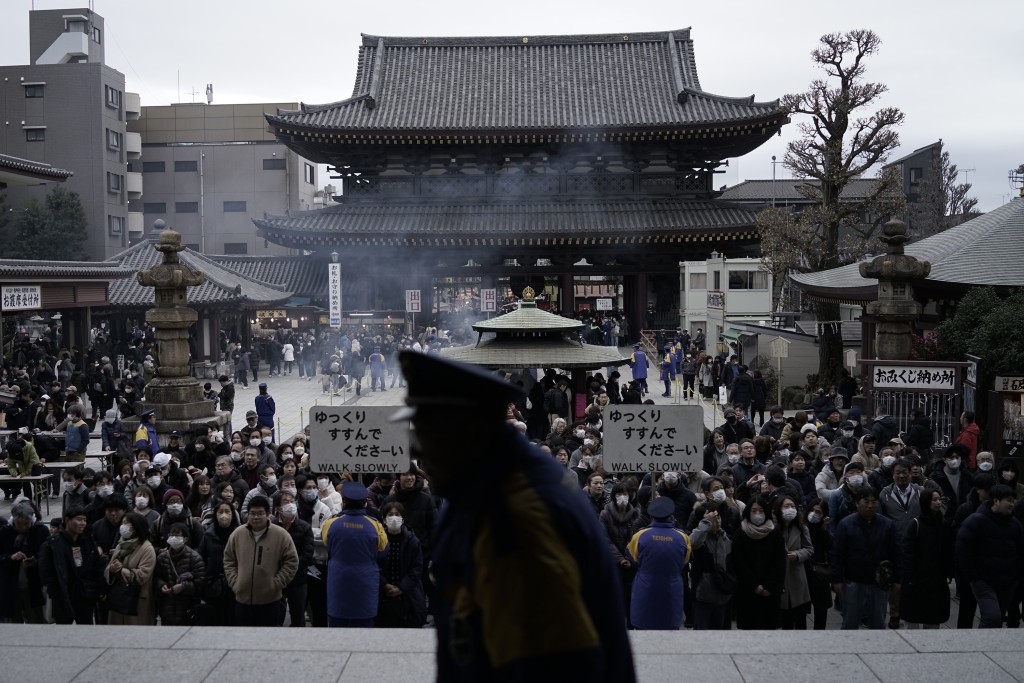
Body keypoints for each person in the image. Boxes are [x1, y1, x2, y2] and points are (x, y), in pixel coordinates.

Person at [394, 350, 635, 681]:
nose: (416, 449)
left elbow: (553, 666)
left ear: (466, 431)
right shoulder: (480, 485)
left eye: (426, 432)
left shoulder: (518, 518)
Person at [830, 486, 901, 630]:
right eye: (866, 501)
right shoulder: (845, 524)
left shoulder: (887, 525)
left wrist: (897, 579)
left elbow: (896, 554)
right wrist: (836, 580)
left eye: (874, 502)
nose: (870, 506)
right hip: (853, 581)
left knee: (878, 622)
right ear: (857, 503)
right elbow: (837, 554)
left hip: (879, 582)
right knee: (850, 622)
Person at [321, 481, 389, 628]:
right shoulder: (375, 525)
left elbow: (326, 543)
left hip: (338, 581)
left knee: (337, 627)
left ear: (344, 501)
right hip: (365, 582)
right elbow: (383, 550)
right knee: (364, 627)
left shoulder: (331, 523)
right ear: (365, 503)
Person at [223, 495, 298, 626]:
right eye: (252, 513)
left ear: (268, 514)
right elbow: (229, 559)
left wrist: (276, 584)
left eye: (260, 513)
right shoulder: (238, 534)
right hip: (242, 600)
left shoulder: (281, 535)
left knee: (267, 642)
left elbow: (291, 562)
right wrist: (235, 582)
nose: (256, 517)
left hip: (270, 602)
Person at [955, 484, 1022, 628]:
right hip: (983, 581)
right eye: (1009, 500)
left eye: (1014, 500)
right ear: (996, 501)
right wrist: (974, 578)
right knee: (993, 617)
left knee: (995, 621)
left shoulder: (1014, 524)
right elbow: (962, 550)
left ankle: (987, 646)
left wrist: (1016, 577)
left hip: (1007, 582)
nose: (1012, 504)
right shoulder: (976, 521)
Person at [625, 496, 691, 630]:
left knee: (644, 629)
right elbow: (685, 561)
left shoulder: (640, 536)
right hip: (672, 589)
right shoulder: (683, 537)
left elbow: (631, 556)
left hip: (645, 588)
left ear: (651, 515)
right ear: (671, 515)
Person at [38, 505, 103, 624]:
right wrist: (54, 592)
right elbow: (45, 571)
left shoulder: (88, 541)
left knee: (85, 629)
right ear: (67, 520)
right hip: (63, 595)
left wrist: (95, 588)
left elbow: (97, 566)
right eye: (79, 519)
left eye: (84, 520)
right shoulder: (53, 544)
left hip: (85, 594)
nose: (82, 523)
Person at [900, 488, 952, 628]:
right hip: (916, 580)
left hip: (936, 580)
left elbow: (948, 550)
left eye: (939, 499)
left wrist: (948, 571)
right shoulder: (916, 524)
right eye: (934, 499)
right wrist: (910, 575)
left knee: (933, 619)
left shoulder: (944, 524)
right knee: (912, 619)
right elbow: (907, 551)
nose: (938, 502)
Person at [732, 495, 785, 629]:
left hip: (770, 591)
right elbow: (739, 563)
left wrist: (768, 586)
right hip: (747, 591)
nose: (757, 514)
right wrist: (754, 585)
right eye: (754, 511)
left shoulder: (775, 533)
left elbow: (779, 563)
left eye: (760, 510)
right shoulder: (740, 533)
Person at [376, 501, 428, 628]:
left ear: (403, 518)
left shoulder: (412, 541)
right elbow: (373, 565)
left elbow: (416, 568)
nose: (394, 518)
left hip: (408, 596)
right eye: (390, 514)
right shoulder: (377, 540)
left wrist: (401, 588)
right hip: (382, 595)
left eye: (397, 514)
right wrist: (385, 584)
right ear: (383, 518)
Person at [687, 499, 735, 630]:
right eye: (713, 519)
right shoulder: (700, 538)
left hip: (723, 595)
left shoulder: (725, 538)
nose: (717, 521)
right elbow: (693, 542)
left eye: (718, 518)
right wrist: (705, 522)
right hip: (703, 596)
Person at [0, 500, 49, 623]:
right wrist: (10, 557)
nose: (23, 527)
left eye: (26, 524)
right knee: (13, 620)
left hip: (34, 584)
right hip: (11, 585)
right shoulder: (4, 532)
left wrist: (36, 559)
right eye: (19, 523)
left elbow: (46, 553)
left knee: (36, 619)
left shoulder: (40, 531)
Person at [104, 511, 157, 625]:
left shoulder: (147, 548)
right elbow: (108, 568)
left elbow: (142, 575)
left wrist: (121, 570)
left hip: (136, 599)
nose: (123, 527)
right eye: (123, 523)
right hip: (118, 597)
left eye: (127, 524)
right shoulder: (121, 544)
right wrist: (112, 569)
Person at [272, 489, 314, 627]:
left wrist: (289, 568)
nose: (290, 505)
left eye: (292, 502)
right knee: (275, 617)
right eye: (286, 502)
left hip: (298, 580)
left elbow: (307, 555)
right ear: (278, 507)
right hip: (276, 580)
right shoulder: (271, 526)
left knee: (298, 618)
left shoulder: (304, 527)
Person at [155, 522, 206, 626]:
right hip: (166, 607)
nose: (174, 538)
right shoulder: (162, 557)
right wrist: (161, 585)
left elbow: (200, 582)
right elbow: (156, 577)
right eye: (171, 535)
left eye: (177, 535)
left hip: (187, 608)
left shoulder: (195, 558)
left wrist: (183, 587)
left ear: (185, 539)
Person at [775, 494, 813, 629]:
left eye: (792, 506)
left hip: (797, 576)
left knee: (800, 619)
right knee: (785, 620)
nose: (790, 509)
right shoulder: (773, 528)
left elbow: (809, 549)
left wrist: (797, 554)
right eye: (786, 506)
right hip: (781, 576)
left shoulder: (802, 528)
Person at [197, 501, 238, 626]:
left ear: (233, 515)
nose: (224, 515)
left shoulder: (239, 534)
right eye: (220, 512)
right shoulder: (208, 535)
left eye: (227, 512)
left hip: (234, 586)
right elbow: (201, 559)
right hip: (213, 586)